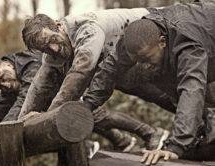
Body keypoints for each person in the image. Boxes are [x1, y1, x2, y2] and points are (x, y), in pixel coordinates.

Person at [19, 10, 174, 150]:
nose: (53, 49)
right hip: (124, 66)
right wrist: (20, 122)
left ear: (58, 25)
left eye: (53, 40)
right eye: (45, 49)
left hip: (161, 35)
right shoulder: (52, 52)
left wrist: (50, 115)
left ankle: (184, 136)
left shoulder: (87, 28)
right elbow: (39, 87)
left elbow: (81, 70)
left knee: (170, 93)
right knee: (159, 96)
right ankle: (155, 135)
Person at [83, 1, 215, 164]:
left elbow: (192, 89)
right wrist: (87, 106)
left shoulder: (187, 44)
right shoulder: (137, 39)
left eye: (146, 58)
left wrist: (174, 147)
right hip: (199, 39)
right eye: (137, 60)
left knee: (195, 86)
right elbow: (110, 69)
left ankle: (203, 127)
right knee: (155, 71)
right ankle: (199, 129)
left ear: (162, 42)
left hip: (205, 32)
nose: (142, 65)